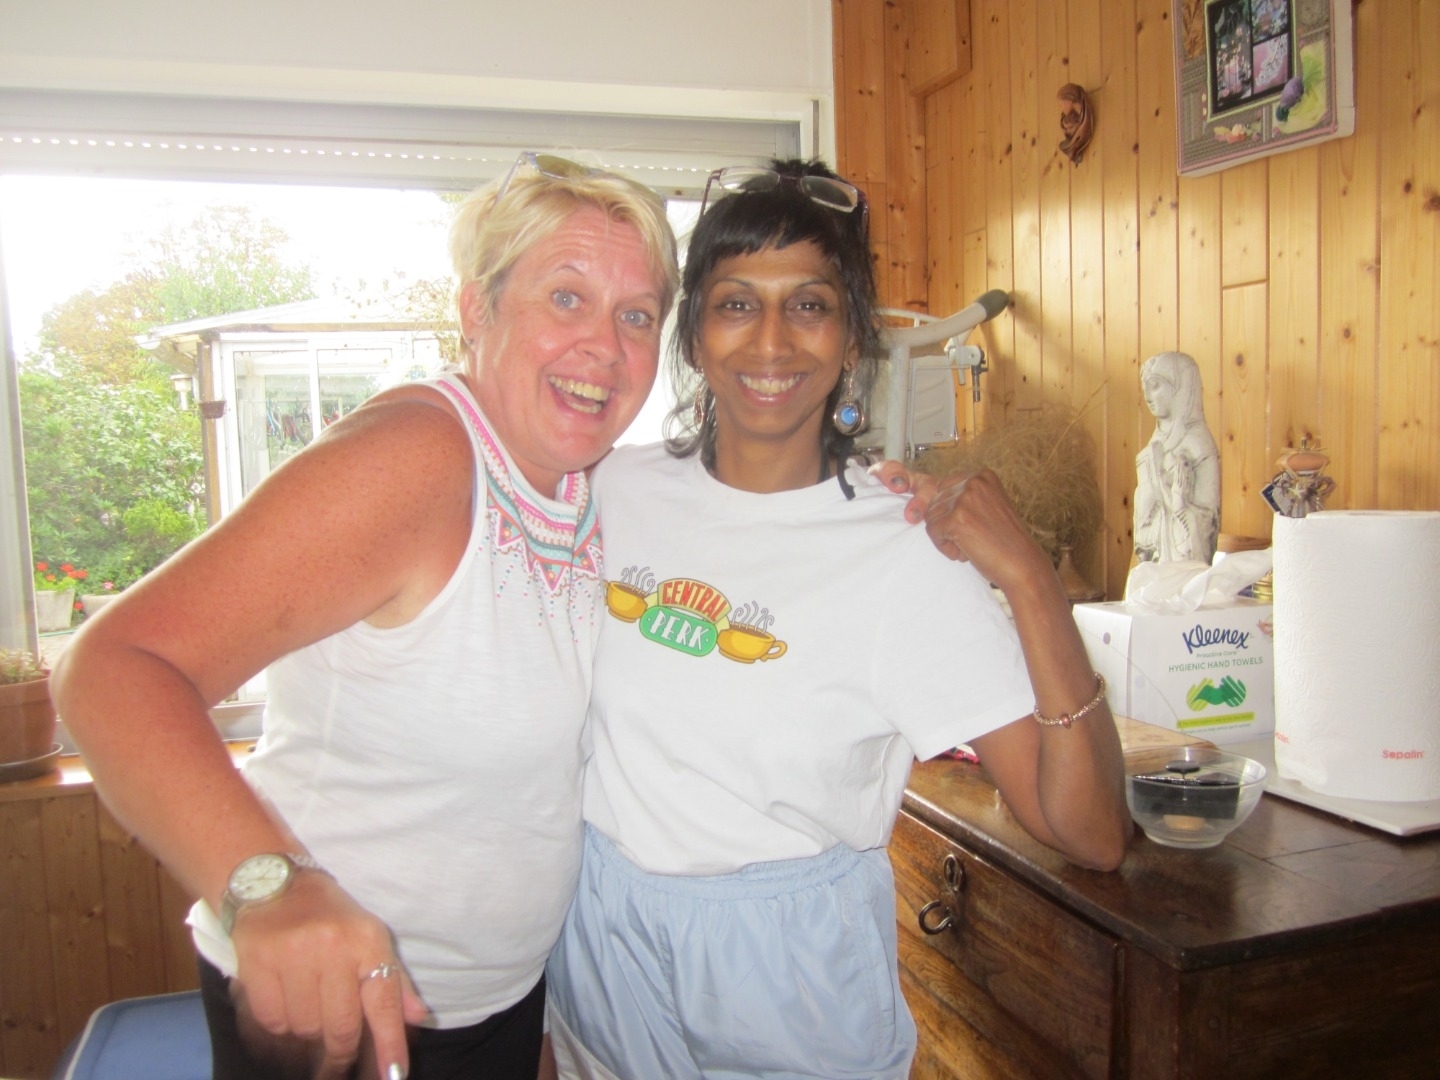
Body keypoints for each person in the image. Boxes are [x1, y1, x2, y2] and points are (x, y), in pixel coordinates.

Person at [52, 151, 678, 1080]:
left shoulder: (579, 486)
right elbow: (110, 668)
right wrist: (268, 888)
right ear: (477, 309)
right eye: (566, 297)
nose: (607, 346)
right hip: (340, 1014)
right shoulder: (418, 458)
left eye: (638, 315)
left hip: (497, 1005)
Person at [544, 159, 1130, 1079]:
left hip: (786, 982)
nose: (771, 340)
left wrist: (1030, 582)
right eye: (737, 304)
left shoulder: (906, 551)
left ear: (854, 337)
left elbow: (1089, 833)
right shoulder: (610, 489)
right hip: (604, 950)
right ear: (693, 334)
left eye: (809, 305)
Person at [1133, 350, 1221, 564]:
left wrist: (1180, 504)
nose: (1147, 396)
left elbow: (1208, 521)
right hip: (1155, 557)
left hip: (1184, 561)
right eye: (1144, 387)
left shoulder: (1199, 445)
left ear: (1180, 387)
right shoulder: (1155, 444)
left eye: (1155, 386)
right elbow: (1143, 522)